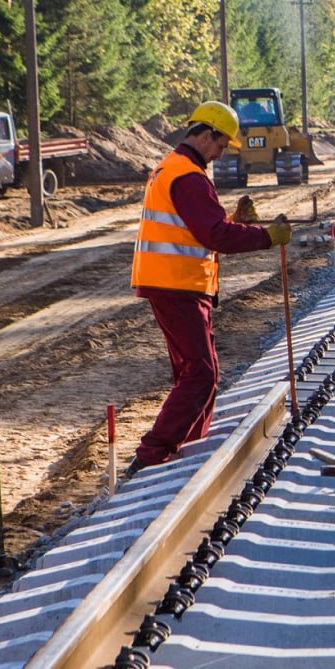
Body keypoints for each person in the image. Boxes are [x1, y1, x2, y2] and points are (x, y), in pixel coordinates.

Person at [129, 101, 291, 475]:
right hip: (176, 282)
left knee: (199, 370)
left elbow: (195, 228)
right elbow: (213, 235)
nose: (221, 153)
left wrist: (235, 221)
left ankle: (188, 446)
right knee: (201, 372)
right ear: (205, 135)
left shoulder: (173, 168)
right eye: (221, 144)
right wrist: (266, 236)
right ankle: (152, 456)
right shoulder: (187, 176)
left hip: (172, 281)